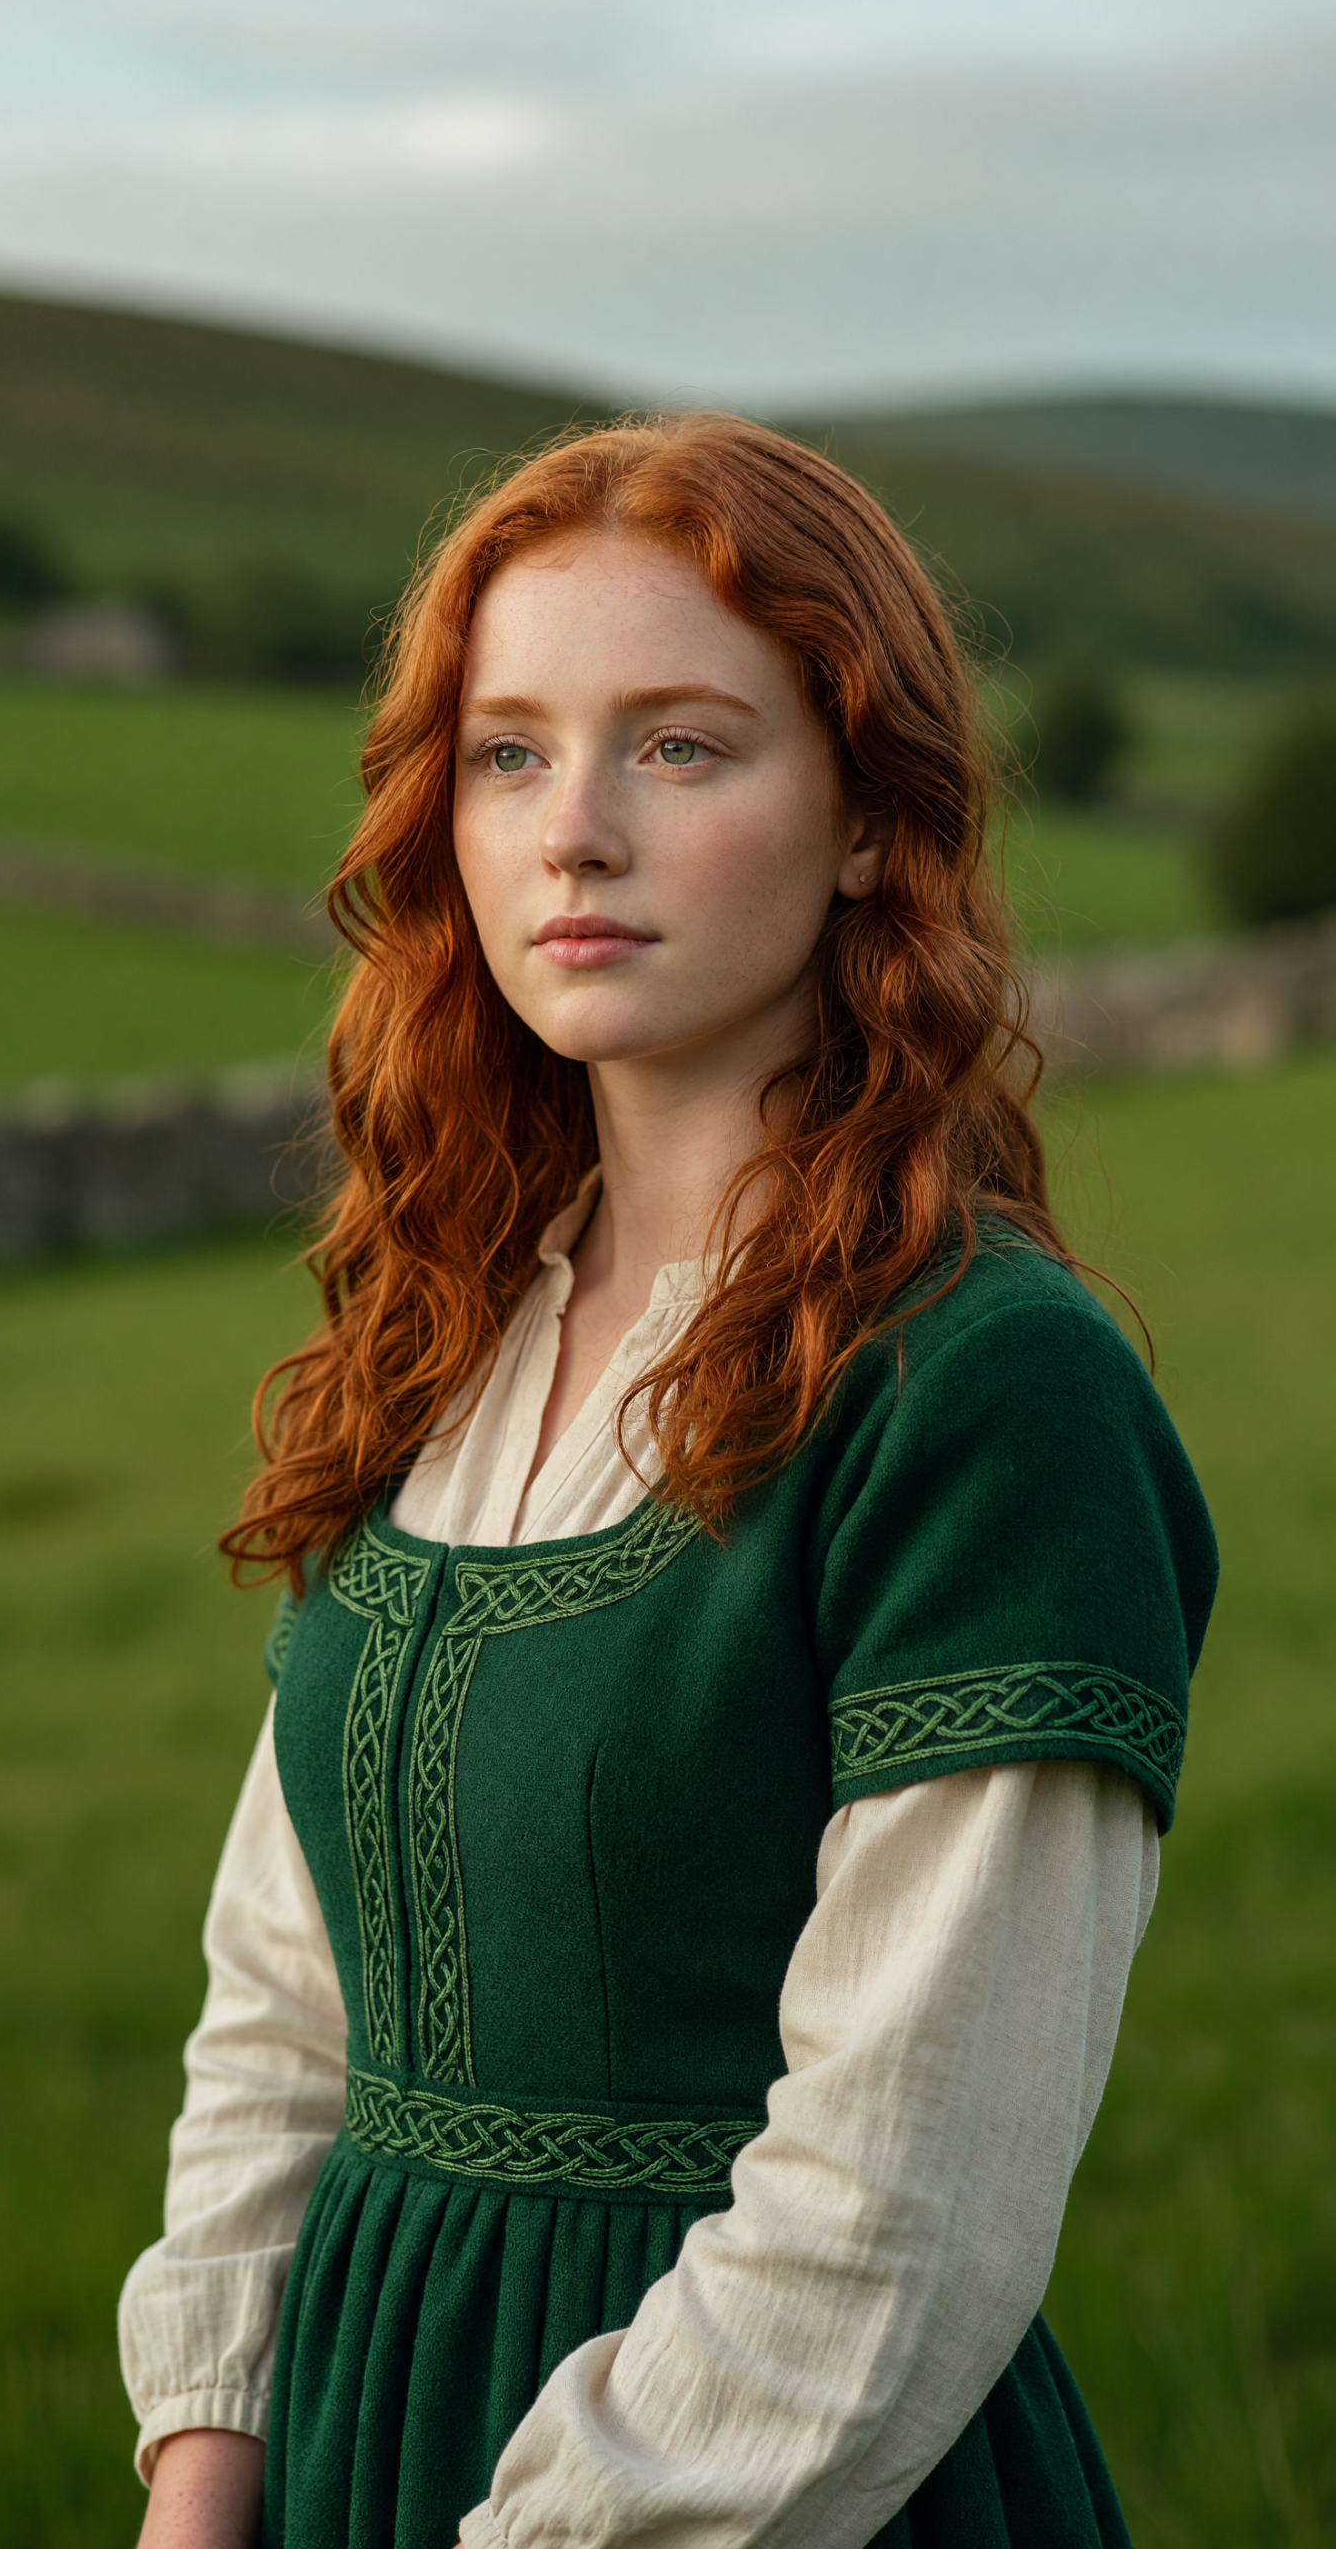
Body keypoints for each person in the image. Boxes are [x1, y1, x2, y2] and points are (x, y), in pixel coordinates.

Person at [119, 414, 1217, 2549]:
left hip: (754, 2493)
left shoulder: (985, 1390)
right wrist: (204, 2468)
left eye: (682, 747)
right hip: (357, 2452)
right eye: (507, 751)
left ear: (864, 827)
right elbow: (281, 2002)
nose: (574, 832)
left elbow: (900, 2198)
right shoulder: (441, 1339)